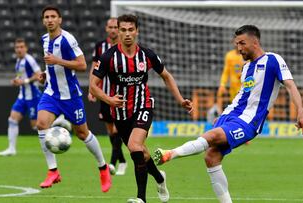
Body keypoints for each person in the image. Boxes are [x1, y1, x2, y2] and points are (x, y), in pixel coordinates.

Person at [154, 25, 303, 203]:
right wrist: (225, 114)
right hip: (231, 115)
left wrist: (301, 111)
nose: (239, 48)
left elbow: (290, 85)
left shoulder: (273, 60)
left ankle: (169, 154)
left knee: (211, 136)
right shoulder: (246, 68)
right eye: (237, 44)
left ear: (255, 42)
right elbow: (243, 95)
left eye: (242, 43)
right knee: (211, 157)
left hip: (249, 121)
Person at [90, 14, 192, 203]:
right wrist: (109, 100)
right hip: (119, 112)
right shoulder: (108, 57)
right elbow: (93, 86)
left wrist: (180, 100)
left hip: (143, 105)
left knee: (135, 146)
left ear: (137, 31)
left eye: (131, 30)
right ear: (118, 31)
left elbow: (166, 76)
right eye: (123, 30)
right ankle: (160, 178)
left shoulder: (147, 55)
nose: (127, 34)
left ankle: (141, 199)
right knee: (140, 153)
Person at [37, 5, 111, 192]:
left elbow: (82, 65)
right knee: (41, 124)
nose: (50, 20)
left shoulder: (68, 39)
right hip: (52, 93)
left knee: (82, 133)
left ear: (60, 19)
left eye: (53, 16)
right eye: (47, 17)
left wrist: (57, 61)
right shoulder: (44, 39)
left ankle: (103, 167)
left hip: (70, 96)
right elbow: (51, 64)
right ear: (43, 20)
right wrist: (46, 73)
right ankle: (53, 171)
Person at [88, 17, 127, 176]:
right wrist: (92, 88)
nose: (112, 30)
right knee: (111, 130)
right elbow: (94, 67)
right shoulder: (100, 47)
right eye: (110, 27)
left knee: (118, 129)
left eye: (115, 27)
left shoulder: (125, 46)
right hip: (104, 94)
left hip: (119, 94)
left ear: (119, 29)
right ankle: (123, 161)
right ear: (106, 29)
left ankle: (112, 163)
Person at [0, 38, 42, 156]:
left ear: (26, 48)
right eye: (17, 47)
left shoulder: (29, 60)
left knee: (36, 126)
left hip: (33, 96)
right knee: (12, 119)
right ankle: (11, 149)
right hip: (22, 96)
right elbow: (20, 76)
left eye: (21, 47)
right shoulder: (18, 61)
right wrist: (16, 80)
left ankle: (58, 122)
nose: (19, 49)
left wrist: (25, 81)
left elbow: (39, 75)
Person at [216, 42, 245, 114]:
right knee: (235, 107)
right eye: (236, 43)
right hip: (233, 87)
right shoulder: (229, 56)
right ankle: (220, 114)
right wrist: (222, 84)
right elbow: (226, 72)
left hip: (245, 85)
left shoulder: (246, 56)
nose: (238, 45)